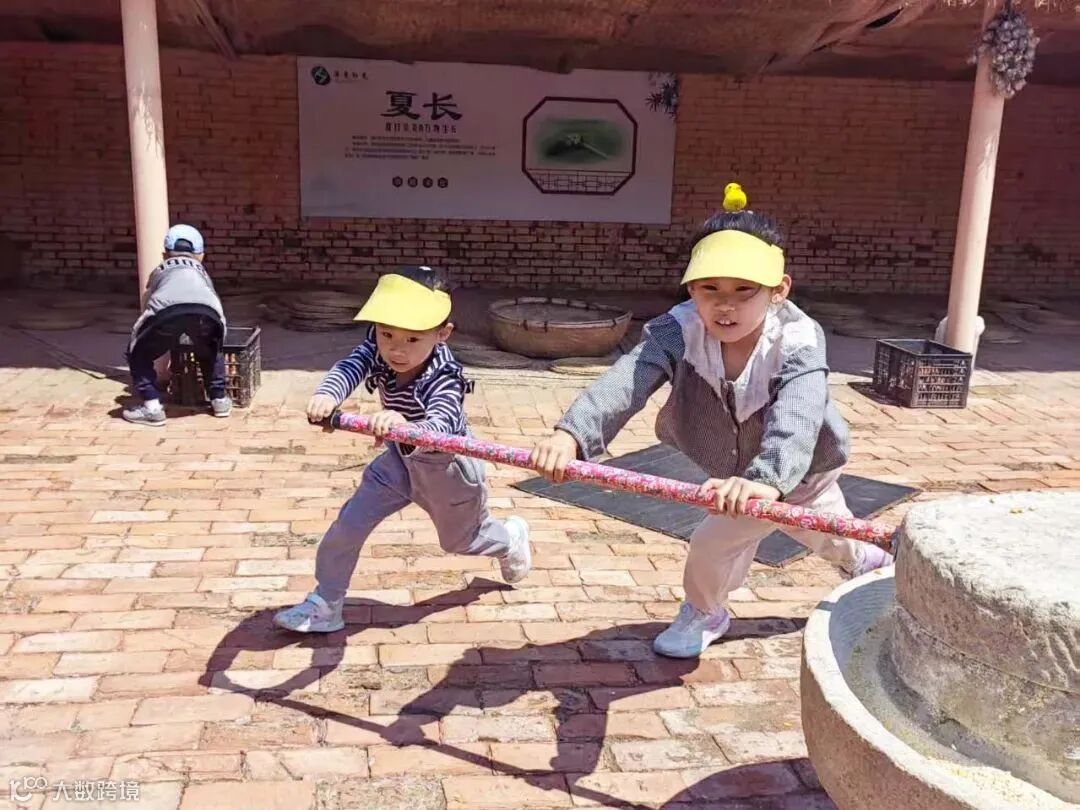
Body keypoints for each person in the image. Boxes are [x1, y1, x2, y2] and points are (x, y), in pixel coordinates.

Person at [530, 188, 892, 659]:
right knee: (796, 532)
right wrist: (571, 435)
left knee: (735, 538)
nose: (726, 306)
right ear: (691, 289)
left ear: (779, 289)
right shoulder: (678, 328)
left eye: (744, 291)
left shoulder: (798, 337)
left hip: (800, 467)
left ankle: (709, 609)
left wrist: (767, 481)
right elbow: (628, 379)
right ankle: (858, 562)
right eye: (710, 290)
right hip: (736, 477)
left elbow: (800, 411)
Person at [274, 265, 532, 633]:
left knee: (461, 541)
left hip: (447, 468)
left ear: (442, 334)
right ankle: (326, 604)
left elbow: (442, 422)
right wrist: (328, 395)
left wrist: (405, 425)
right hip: (397, 462)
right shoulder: (378, 345)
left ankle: (510, 540)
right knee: (348, 525)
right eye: (387, 334)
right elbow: (352, 365)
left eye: (413, 339)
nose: (396, 349)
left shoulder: (445, 375)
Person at [123, 224, 231, 426]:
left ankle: (152, 408)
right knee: (212, 349)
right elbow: (214, 302)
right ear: (201, 255)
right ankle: (220, 400)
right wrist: (218, 340)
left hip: (167, 313)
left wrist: (141, 340)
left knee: (137, 353)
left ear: (165, 254)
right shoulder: (203, 273)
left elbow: (148, 303)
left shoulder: (160, 270)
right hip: (207, 312)